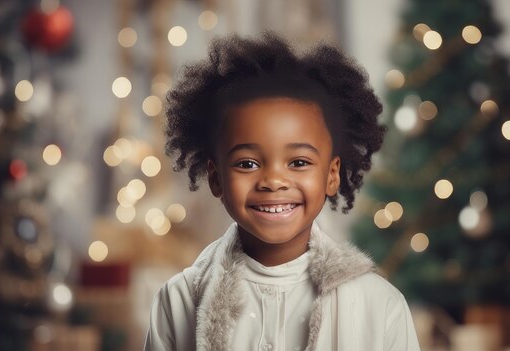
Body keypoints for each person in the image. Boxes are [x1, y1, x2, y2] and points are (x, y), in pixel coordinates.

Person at [144, 31, 420, 351]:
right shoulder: (178, 302)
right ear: (216, 177)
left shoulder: (380, 305)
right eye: (247, 164)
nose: (273, 181)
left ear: (331, 175)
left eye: (299, 162)